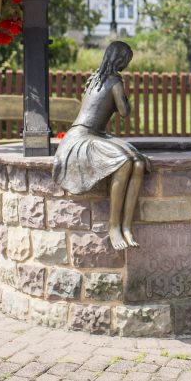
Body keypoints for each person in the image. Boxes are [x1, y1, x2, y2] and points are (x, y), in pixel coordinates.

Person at [52, 41, 150, 250]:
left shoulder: (94, 78)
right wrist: (125, 96)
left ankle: (126, 227)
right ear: (122, 60)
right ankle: (114, 226)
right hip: (81, 138)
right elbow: (124, 112)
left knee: (139, 163)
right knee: (125, 162)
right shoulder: (114, 81)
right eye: (127, 60)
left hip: (93, 134)